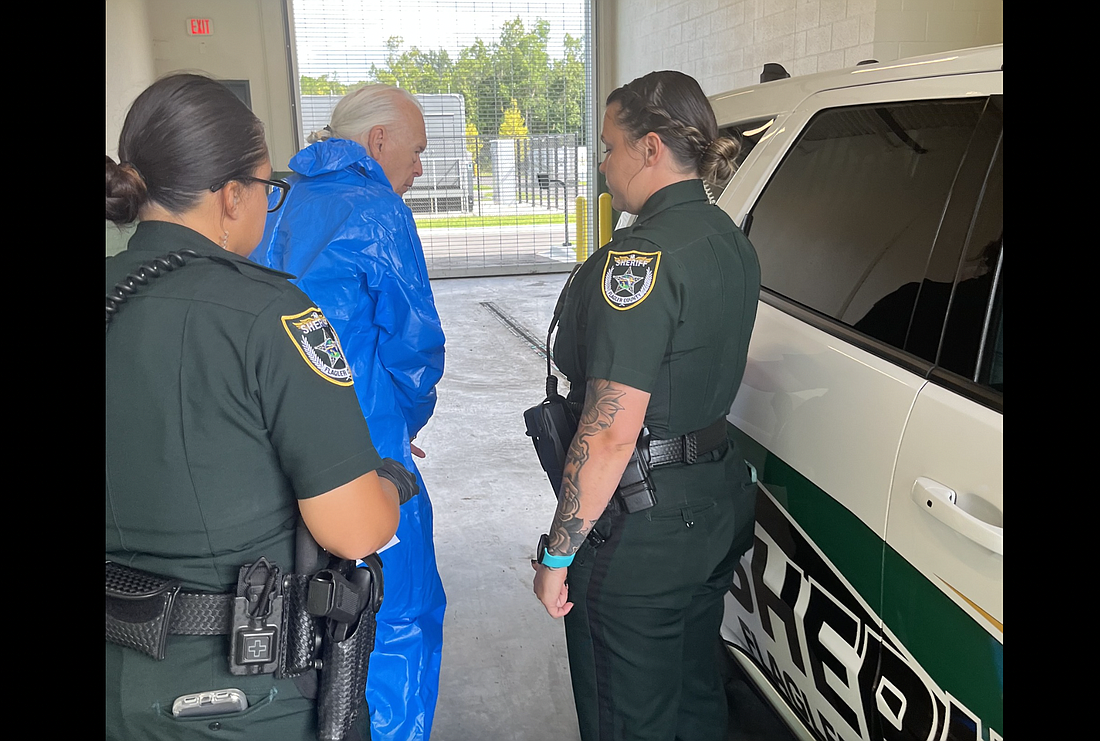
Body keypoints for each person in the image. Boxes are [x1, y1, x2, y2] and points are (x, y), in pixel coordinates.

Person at [106, 73, 410, 740]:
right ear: (233, 195)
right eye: (270, 191)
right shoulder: (272, 314)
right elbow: (354, 529)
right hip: (238, 699)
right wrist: (388, 480)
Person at [532, 70, 761, 741]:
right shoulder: (731, 241)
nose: (603, 165)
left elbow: (608, 432)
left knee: (627, 716)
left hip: (643, 528)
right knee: (692, 696)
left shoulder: (637, 259)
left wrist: (556, 555)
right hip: (714, 502)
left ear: (651, 148)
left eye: (609, 147)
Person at [250, 84, 447, 741]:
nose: (420, 167)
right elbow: (415, 350)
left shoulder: (268, 201)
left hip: (266, 453)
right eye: (417, 151)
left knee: (285, 616)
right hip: (366, 457)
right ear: (379, 140)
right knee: (395, 613)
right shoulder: (378, 211)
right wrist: (400, 426)